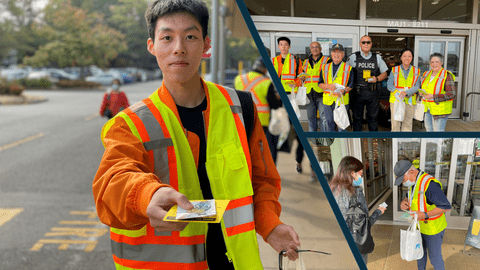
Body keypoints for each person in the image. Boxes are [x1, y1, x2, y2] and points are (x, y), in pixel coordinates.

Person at [92, 1, 300, 269]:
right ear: (152, 46)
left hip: (231, 262)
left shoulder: (241, 109)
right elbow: (112, 181)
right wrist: (145, 195)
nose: (179, 47)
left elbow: (261, 183)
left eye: (190, 36)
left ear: (206, 45)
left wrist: (271, 225)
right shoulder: (129, 124)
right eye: (167, 37)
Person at [394, 160, 451, 270]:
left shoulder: (430, 185)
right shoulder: (414, 181)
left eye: (403, 179)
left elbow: (446, 206)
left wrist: (425, 214)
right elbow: (410, 194)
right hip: (419, 227)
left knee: (435, 258)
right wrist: (404, 201)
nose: (403, 183)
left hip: (433, 229)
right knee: (419, 253)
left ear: (411, 172)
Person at [329, 156, 385, 264]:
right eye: (360, 174)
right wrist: (378, 212)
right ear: (351, 173)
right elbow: (363, 225)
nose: (361, 177)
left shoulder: (331, 188)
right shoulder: (355, 194)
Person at [234, 57, 282, 164]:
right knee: (262, 150)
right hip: (261, 121)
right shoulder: (266, 82)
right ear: (265, 69)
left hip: (241, 119)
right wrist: (278, 99)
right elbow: (274, 105)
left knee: (245, 147)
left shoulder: (239, 79)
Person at [271, 36, 305, 173]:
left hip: (292, 96)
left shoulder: (296, 61)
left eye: (286, 44)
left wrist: (295, 83)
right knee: (276, 130)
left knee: (296, 132)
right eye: (281, 44)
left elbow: (302, 75)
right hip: (278, 98)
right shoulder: (273, 61)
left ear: (289, 46)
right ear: (278, 46)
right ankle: (273, 165)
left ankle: (299, 161)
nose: (283, 47)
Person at [349, 35, 388, 132]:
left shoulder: (377, 57)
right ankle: (357, 141)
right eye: (363, 42)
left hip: (372, 92)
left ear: (371, 44)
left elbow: (385, 73)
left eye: (368, 42)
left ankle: (373, 140)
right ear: (360, 44)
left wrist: (377, 78)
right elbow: (346, 72)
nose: (366, 44)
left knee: (373, 118)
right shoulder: (353, 57)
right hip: (357, 92)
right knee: (357, 118)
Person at [318, 43, 354, 132]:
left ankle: (343, 145)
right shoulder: (325, 67)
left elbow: (351, 85)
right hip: (328, 100)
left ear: (343, 54)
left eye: (339, 52)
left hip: (341, 100)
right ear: (331, 53)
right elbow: (320, 84)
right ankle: (334, 144)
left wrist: (343, 91)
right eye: (334, 52)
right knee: (329, 123)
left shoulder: (348, 68)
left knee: (341, 125)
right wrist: (328, 86)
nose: (336, 54)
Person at [419, 53, 456, 132]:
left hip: (440, 110)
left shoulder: (446, 75)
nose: (434, 64)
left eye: (437, 61)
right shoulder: (426, 74)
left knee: (438, 132)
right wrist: (421, 93)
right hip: (427, 108)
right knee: (429, 130)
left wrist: (433, 96)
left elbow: (452, 94)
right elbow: (424, 88)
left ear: (441, 63)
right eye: (432, 62)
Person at [387, 48, 421, 131]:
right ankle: (395, 142)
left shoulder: (416, 71)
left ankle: (404, 142)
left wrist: (406, 93)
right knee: (395, 123)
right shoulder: (394, 70)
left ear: (412, 58)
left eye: (409, 56)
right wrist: (399, 93)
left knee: (407, 124)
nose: (407, 58)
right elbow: (389, 85)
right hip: (396, 100)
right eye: (404, 56)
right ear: (401, 58)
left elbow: (417, 86)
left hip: (409, 100)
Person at [300, 41, 330, 132]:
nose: (314, 49)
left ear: (320, 49)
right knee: (311, 118)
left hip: (322, 93)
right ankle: (313, 140)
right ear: (310, 49)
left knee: (324, 118)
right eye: (312, 47)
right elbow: (301, 75)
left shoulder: (327, 60)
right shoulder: (305, 62)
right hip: (309, 93)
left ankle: (325, 139)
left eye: (316, 47)